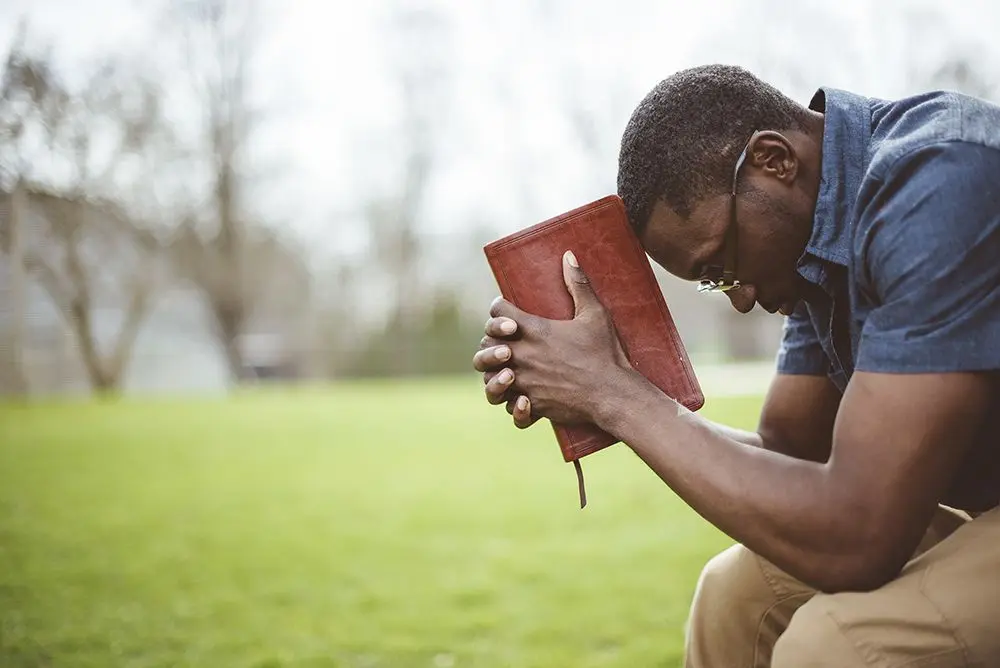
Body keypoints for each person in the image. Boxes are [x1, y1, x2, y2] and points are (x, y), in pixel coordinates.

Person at [472, 64, 1000, 667]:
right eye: (714, 283)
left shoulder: (936, 185)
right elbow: (790, 455)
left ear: (773, 161)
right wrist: (609, 388)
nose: (742, 298)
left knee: (836, 646)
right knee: (736, 595)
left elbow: (858, 536)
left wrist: (615, 396)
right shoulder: (816, 229)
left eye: (723, 264)